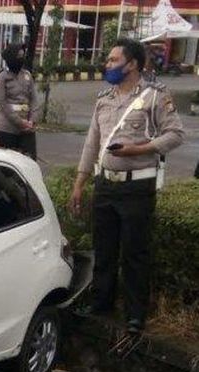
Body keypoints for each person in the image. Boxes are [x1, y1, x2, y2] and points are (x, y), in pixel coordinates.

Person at [70, 38, 184, 335]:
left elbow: (175, 135)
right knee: (104, 249)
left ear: (132, 63)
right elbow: (92, 143)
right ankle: (101, 303)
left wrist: (139, 149)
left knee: (135, 254)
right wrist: (80, 183)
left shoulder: (155, 96)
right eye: (107, 60)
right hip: (105, 185)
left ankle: (135, 315)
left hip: (137, 188)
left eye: (112, 60)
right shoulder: (104, 98)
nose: (107, 65)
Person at [0, 43, 39, 160]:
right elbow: (1, 103)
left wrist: (32, 121)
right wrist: (20, 122)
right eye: (18, 56)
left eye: (23, 56)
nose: (21, 59)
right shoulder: (2, 77)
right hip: (7, 128)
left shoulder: (27, 75)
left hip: (27, 128)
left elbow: (34, 99)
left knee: (30, 161)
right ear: (11, 58)